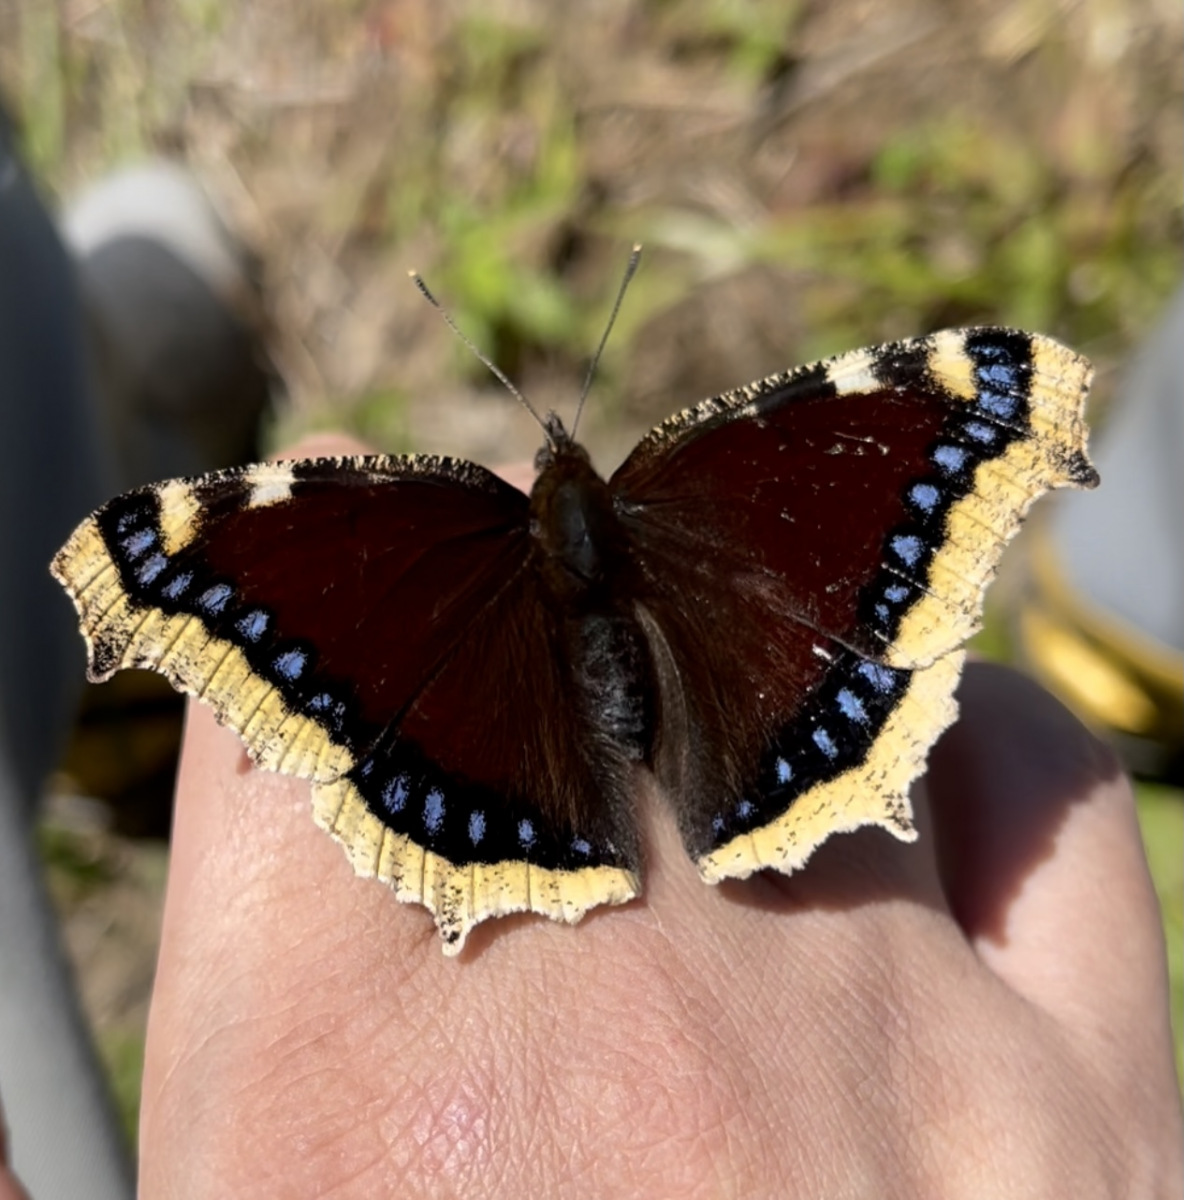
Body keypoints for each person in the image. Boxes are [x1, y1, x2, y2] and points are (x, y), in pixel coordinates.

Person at [0, 126, 1180, 1194]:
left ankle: (127, 715)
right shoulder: (719, 465)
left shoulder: (398, 516)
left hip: (497, 721)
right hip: (682, 688)